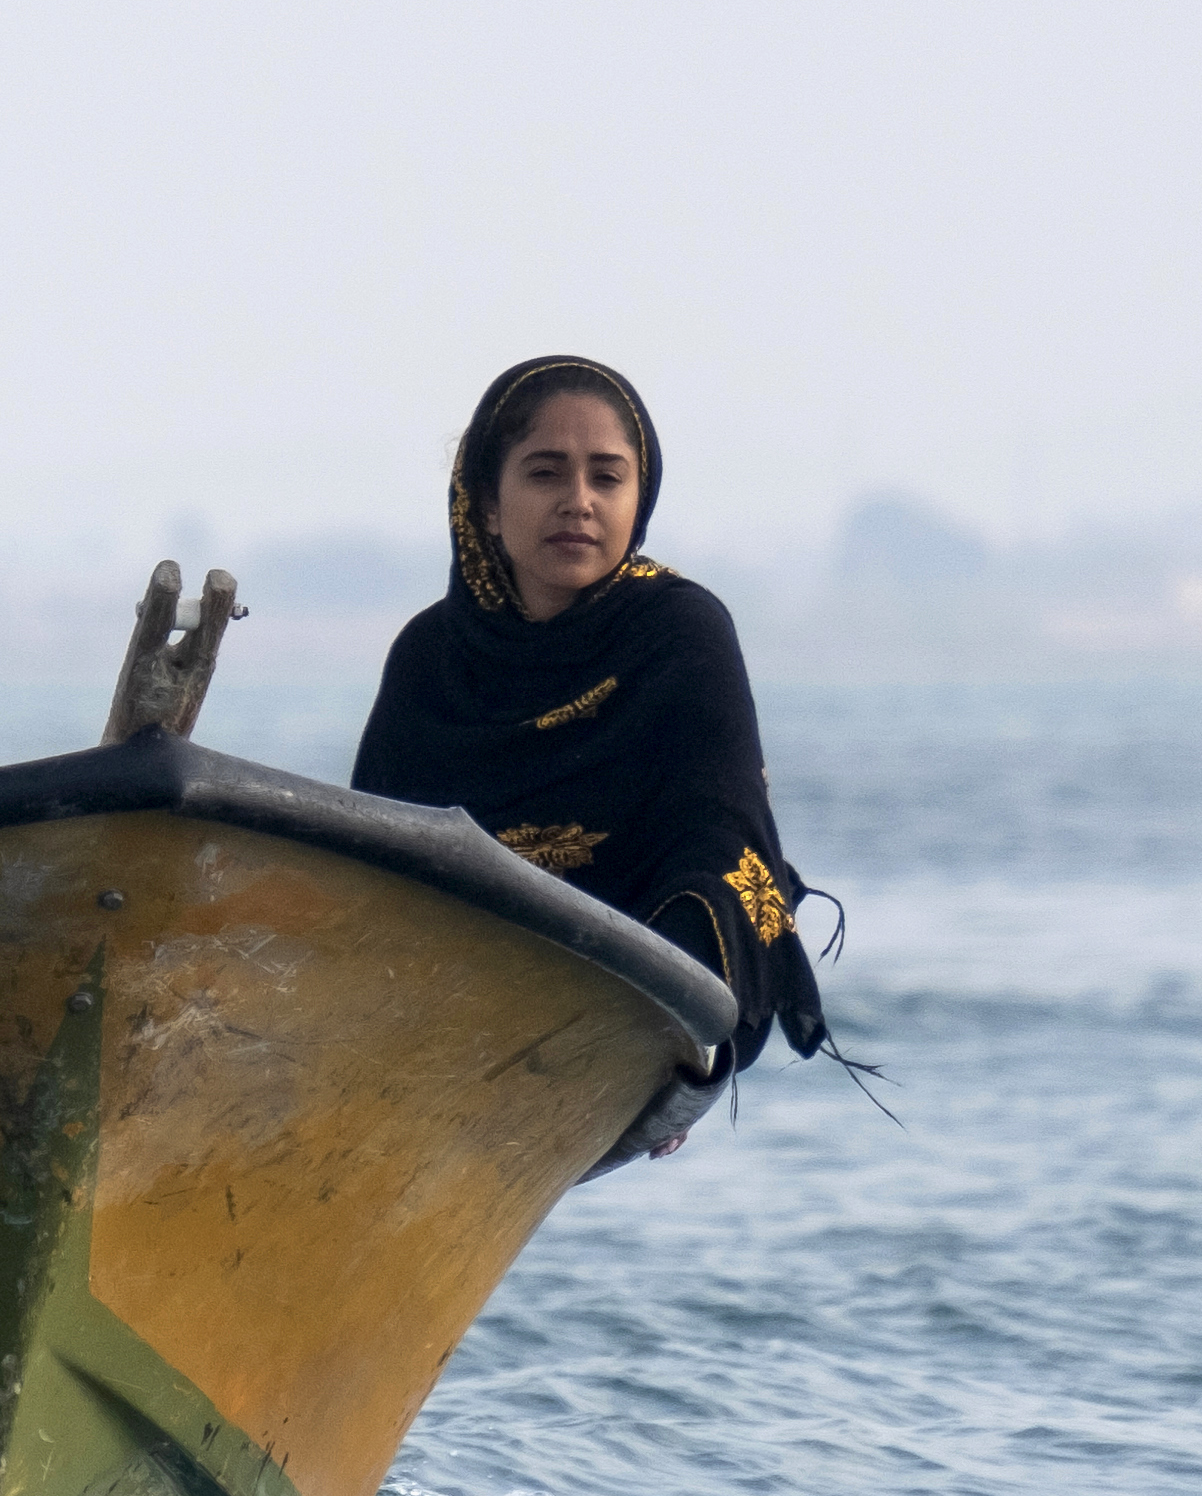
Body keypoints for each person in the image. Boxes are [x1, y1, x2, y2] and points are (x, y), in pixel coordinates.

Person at [349, 355, 851, 1118]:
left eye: (607, 478)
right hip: (462, 984)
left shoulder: (683, 630)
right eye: (545, 474)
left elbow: (720, 829)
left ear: (639, 498)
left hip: (638, 968)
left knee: (717, 881)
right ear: (487, 502)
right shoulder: (430, 656)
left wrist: (664, 1032)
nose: (578, 503)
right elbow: (380, 855)